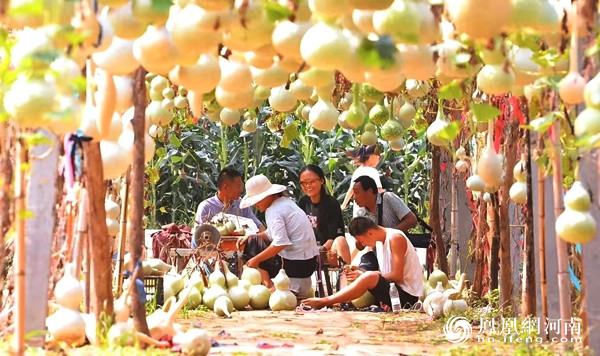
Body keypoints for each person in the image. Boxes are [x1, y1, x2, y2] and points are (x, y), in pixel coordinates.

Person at [301, 217, 423, 310]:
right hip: (393, 290)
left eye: (362, 241)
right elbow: (384, 275)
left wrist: (365, 276)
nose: (363, 244)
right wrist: (361, 272)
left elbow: (397, 276)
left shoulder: (395, 238)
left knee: (370, 277)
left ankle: (325, 301)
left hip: (406, 297)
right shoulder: (380, 242)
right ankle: (340, 301)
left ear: (370, 233)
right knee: (358, 273)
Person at [237, 174, 319, 299]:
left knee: (253, 244)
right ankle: (270, 286)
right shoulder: (286, 203)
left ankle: (268, 286)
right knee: (253, 239)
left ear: (267, 196)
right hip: (308, 263)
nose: (255, 205)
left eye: (256, 201)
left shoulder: (274, 210)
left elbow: (281, 242)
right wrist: (251, 236)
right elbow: (272, 233)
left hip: (295, 264)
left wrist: (256, 259)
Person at [192, 167, 264, 247]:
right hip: (214, 253)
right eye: (238, 186)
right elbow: (198, 236)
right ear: (226, 187)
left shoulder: (242, 205)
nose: (241, 190)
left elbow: (258, 227)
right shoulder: (206, 207)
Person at [298, 165, 351, 265]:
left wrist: (321, 250)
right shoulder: (303, 202)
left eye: (312, 182)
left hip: (328, 249)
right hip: (308, 250)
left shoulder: (331, 203)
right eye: (303, 183)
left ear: (321, 181)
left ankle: (347, 276)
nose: (308, 186)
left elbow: (335, 235)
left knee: (340, 241)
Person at [341, 144, 385, 213]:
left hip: (358, 212)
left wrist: (343, 205)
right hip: (370, 212)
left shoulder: (357, 171)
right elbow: (379, 190)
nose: (378, 160)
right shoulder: (372, 172)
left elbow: (351, 190)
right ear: (373, 157)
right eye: (378, 158)